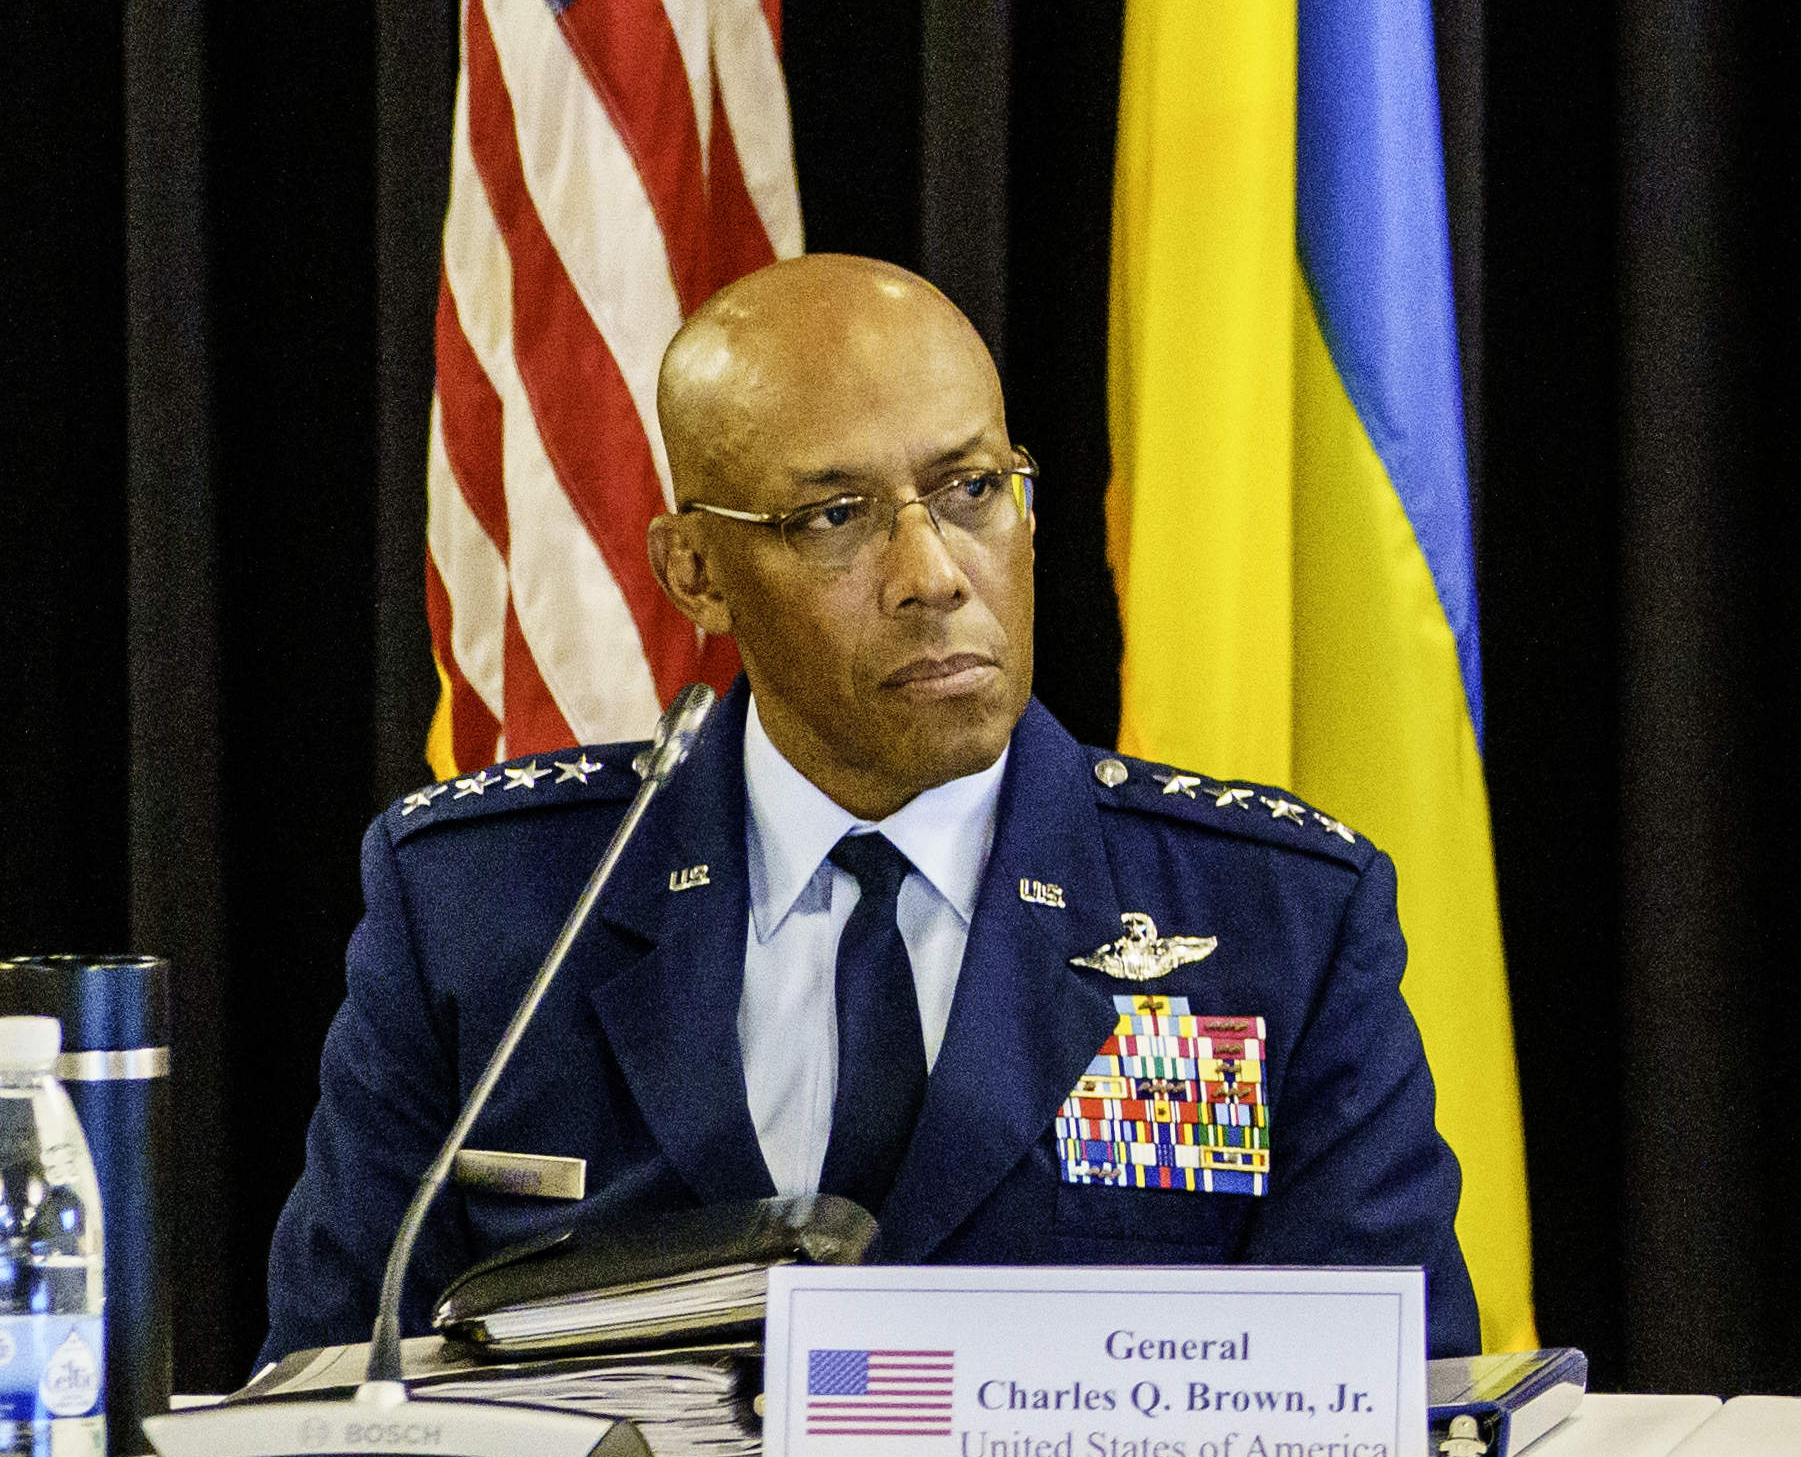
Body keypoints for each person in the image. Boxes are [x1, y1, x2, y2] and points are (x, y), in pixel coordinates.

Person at [261, 255, 1479, 1363]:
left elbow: (1395, 1408)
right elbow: (331, 1390)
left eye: (972, 489)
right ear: (696, 571)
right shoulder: (483, 908)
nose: (933, 575)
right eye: (834, 517)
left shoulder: (1278, 916)